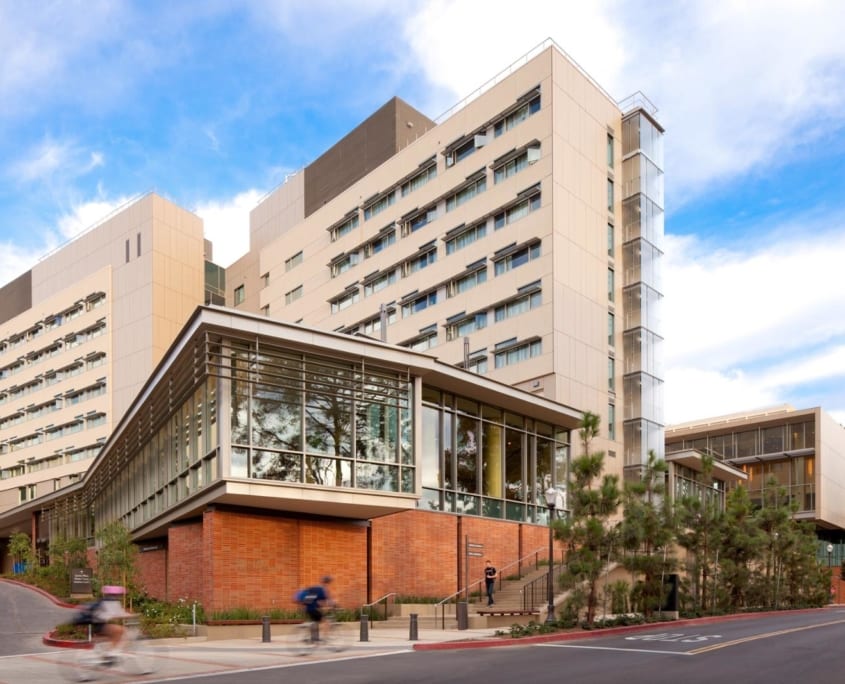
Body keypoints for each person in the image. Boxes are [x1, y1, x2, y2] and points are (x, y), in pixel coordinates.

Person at [74, 585, 132, 661]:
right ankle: (111, 654)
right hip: (100, 625)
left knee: (115, 634)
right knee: (121, 630)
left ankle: (109, 653)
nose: (120, 596)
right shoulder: (111, 601)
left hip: (96, 625)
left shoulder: (104, 600)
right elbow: (117, 614)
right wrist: (131, 615)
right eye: (120, 594)